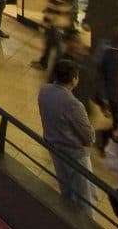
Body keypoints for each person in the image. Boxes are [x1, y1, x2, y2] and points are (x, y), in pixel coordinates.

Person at [38, 59, 95, 211]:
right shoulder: (73, 104)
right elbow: (89, 138)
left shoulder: (44, 91)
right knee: (84, 198)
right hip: (75, 154)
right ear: (74, 79)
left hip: (54, 148)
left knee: (66, 191)